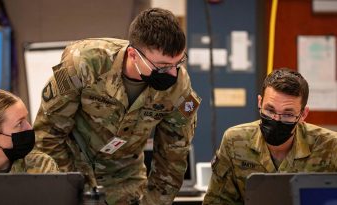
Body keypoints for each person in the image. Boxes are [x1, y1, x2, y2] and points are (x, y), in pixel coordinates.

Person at [34, 7, 201, 205]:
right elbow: (48, 134)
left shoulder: (179, 88)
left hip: (124, 179)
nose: (173, 73)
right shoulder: (83, 63)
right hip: (70, 170)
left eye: (179, 62)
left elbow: (173, 157)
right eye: (162, 66)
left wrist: (154, 202)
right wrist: (64, 185)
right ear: (133, 54)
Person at [203, 68, 337, 204]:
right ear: (259, 103)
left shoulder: (330, 146)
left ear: (303, 114)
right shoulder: (235, 141)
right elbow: (216, 202)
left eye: (288, 114)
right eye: (270, 110)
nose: (276, 119)